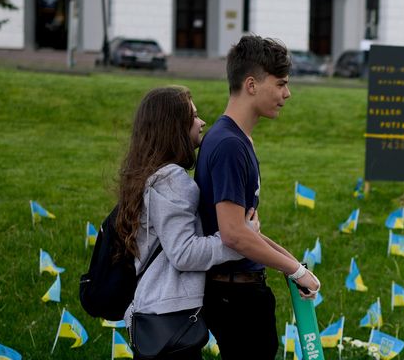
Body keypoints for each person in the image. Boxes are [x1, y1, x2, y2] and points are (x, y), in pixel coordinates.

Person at [195, 35, 321, 359]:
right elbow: (234, 233)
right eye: (280, 84)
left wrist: (293, 265)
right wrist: (295, 271)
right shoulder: (229, 145)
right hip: (235, 295)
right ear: (252, 85)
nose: (287, 94)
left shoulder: (237, 139)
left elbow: (249, 231)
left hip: (243, 289)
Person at [115, 86, 246, 360]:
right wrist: (237, 240)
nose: (202, 123)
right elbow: (183, 253)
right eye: (194, 116)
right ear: (174, 126)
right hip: (168, 318)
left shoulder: (148, 174)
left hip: (153, 311)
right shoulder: (172, 180)